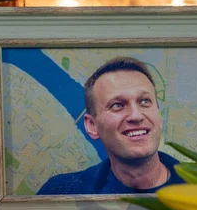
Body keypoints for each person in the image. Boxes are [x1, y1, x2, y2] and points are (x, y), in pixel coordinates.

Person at [38, 56, 185, 195]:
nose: (136, 115)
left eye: (145, 101)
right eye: (117, 105)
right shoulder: (60, 193)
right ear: (92, 126)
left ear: (158, 114)